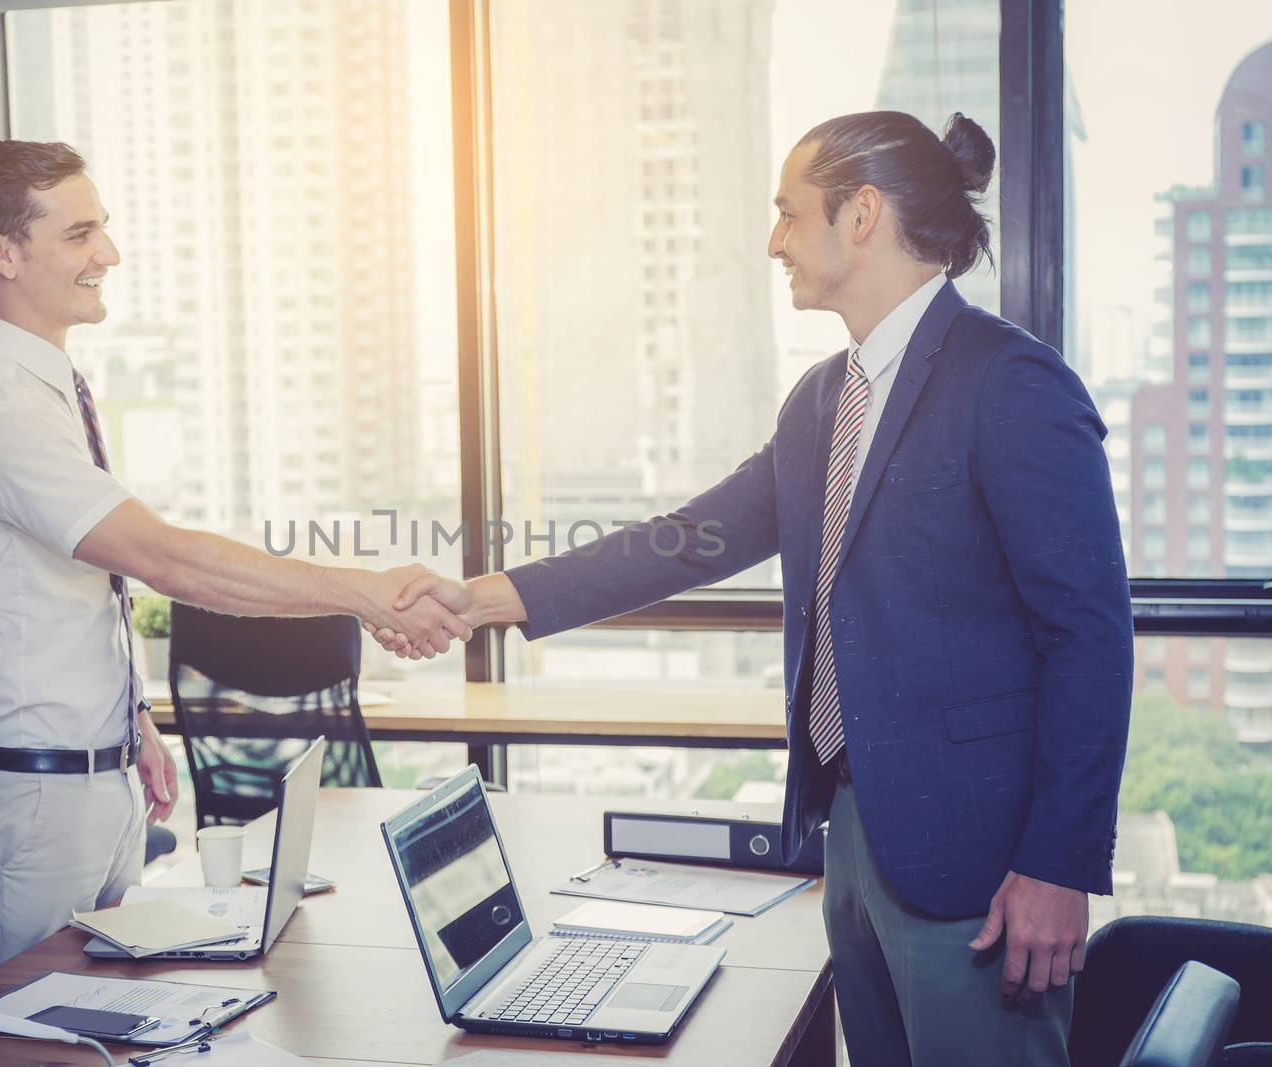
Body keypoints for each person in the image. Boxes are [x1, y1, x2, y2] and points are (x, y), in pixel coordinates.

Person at [373, 112, 1132, 1065]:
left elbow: (1091, 636)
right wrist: (482, 597)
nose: (774, 240)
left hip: (978, 860)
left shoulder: (1010, 381)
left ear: (861, 216)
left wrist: (1058, 864)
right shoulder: (823, 398)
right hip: (852, 832)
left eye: (788, 212)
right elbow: (685, 541)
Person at [0, 140, 469, 976]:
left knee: (102, 1016)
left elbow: (59, 594)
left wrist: (129, 718)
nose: (108, 252)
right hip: (36, 801)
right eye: (79, 234)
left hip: (92, 783)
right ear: (3, 252)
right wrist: (364, 592)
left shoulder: (48, 390)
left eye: (100, 229)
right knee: (25, 1039)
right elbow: (166, 562)